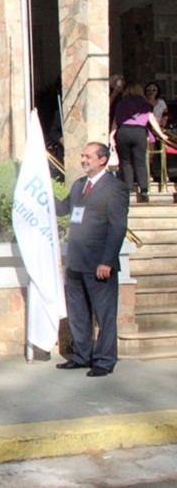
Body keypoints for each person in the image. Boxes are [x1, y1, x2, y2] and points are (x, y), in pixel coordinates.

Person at [55, 143, 129, 377]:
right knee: (78, 313)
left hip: (99, 264)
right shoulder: (79, 185)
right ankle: (81, 355)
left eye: (88, 156)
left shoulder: (115, 188)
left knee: (104, 315)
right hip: (76, 262)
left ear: (102, 160)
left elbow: (117, 227)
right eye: (82, 156)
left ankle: (105, 360)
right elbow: (63, 208)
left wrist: (107, 261)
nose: (83, 160)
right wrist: (41, 191)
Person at [111, 82, 166, 202]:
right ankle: (144, 191)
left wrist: (111, 135)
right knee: (140, 162)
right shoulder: (144, 103)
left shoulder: (122, 103)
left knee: (126, 162)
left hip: (123, 131)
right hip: (139, 132)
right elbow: (151, 119)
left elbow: (116, 120)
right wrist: (161, 134)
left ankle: (129, 189)